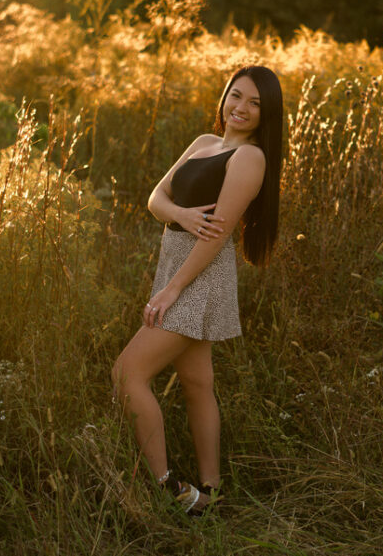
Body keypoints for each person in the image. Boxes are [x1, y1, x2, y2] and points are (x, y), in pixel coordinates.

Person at [111, 65, 284, 516]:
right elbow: (155, 199)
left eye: (254, 104)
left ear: (267, 115)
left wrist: (172, 291)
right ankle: (211, 493)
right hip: (178, 267)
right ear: (224, 96)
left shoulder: (250, 158)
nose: (241, 109)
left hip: (197, 277)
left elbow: (216, 235)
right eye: (236, 96)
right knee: (196, 383)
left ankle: (168, 487)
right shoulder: (205, 144)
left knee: (127, 374)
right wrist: (182, 215)